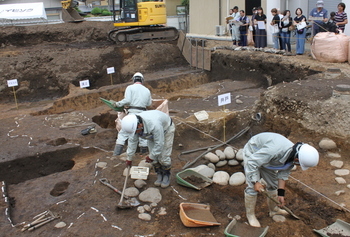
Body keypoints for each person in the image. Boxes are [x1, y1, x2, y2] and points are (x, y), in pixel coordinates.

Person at [243, 132, 319, 227]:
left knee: (274, 185)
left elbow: (283, 174)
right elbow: (252, 162)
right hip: (253, 153)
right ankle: (250, 216)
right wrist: (256, 181)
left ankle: (274, 211)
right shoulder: (275, 150)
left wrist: (281, 194)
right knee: (252, 187)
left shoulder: (293, 154)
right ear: (297, 159)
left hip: (267, 159)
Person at [121, 110, 175, 188]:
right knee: (154, 158)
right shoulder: (134, 126)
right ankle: (159, 174)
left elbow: (159, 143)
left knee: (163, 157)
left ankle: (166, 175)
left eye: (137, 131)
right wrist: (129, 158)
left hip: (166, 130)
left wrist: (151, 157)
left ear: (139, 125)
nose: (136, 133)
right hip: (151, 134)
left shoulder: (154, 124)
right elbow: (132, 142)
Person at [112, 72, 152, 156]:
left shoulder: (130, 88)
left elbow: (127, 100)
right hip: (142, 116)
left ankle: (116, 154)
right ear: (142, 80)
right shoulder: (147, 90)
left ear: (134, 79)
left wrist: (118, 104)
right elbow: (149, 104)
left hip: (132, 115)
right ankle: (143, 154)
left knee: (123, 133)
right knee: (142, 134)